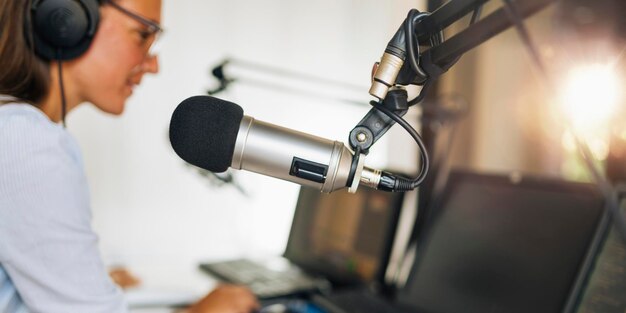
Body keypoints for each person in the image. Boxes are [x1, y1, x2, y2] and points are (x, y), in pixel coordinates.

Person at [0, 0, 259, 312]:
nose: (153, 65)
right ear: (66, 18)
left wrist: (80, 279)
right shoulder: (26, 141)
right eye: (142, 34)